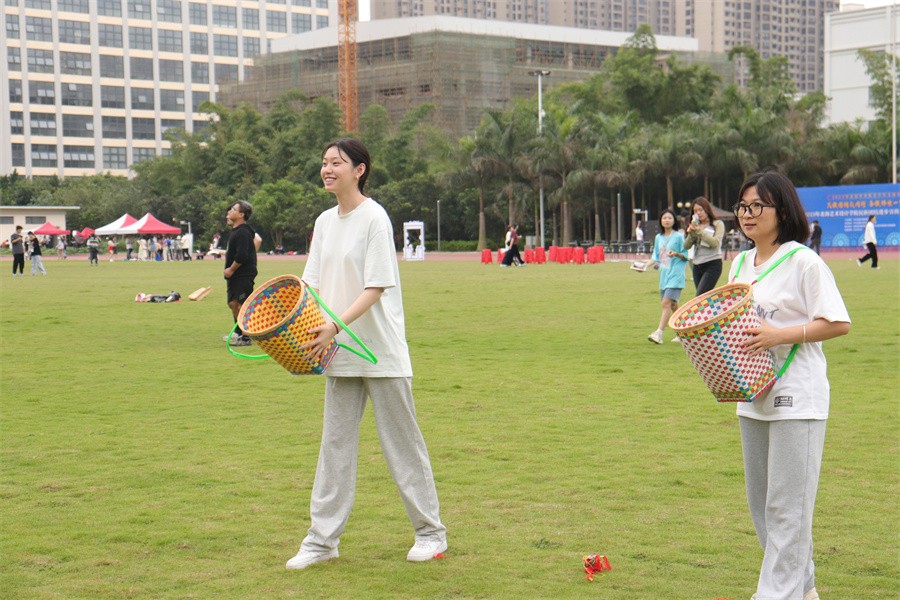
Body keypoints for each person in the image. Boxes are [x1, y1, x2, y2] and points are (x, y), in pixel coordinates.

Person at [285, 138, 447, 570]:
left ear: (359, 170)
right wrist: (295, 325)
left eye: (336, 162)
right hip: (337, 350)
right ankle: (322, 540)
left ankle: (431, 533)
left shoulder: (375, 217)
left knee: (402, 444)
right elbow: (311, 285)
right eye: (324, 162)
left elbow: (375, 287)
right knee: (334, 446)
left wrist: (334, 326)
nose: (327, 169)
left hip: (381, 351)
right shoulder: (324, 221)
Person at [730, 170, 850, 600]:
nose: (748, 214)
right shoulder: (740, 263)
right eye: (743, 206)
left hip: (797, 396)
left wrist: (778, 335)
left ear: (782, 211)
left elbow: (837, 323)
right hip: (752, 395)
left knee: (788, 508)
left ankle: (775, 595)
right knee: (763, 505)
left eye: (758, 206)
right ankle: (804, 588)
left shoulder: (803, 261)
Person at [645, 209, 687, 344]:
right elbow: (656, 257)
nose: (667, 220)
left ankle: (659, 333)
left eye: (669, 218)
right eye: (664, 218)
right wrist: (645, 266)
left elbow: (686, 255)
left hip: (676, 275)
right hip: (664, 275)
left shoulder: (679, 236)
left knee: (666, 303)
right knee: (673, 305)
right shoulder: (658, 237)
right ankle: (683, 333)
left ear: (674, 220)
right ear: (660, 221)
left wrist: (676, 254)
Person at [222, 201, 258, 347]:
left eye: (233, 209)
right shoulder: (236, 231)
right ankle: (238, 331)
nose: (229, 211)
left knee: (242, 304)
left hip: (243, 274)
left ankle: (246, 336)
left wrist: (231, 269)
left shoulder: (243, 232)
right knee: (233, 303)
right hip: (235, 275)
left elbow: (242, 255)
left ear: (241, 214)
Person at [683, 196, 725, 297]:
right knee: (704, 299)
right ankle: (715, 307)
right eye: (695, 211)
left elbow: (715, 243)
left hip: (712, 264)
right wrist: (691, 233)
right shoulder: (695, 226)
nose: (698, 213)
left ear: (707, 209)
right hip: (697, 266)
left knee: (700, 297)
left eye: (700, 210)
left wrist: (699, 231)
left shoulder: (718, 224)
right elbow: (686, 246)